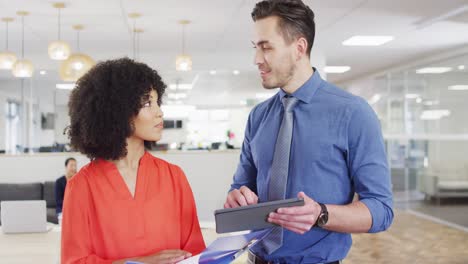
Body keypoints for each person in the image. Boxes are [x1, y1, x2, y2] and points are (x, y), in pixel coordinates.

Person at [224, 0, 394, 263]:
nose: (256, 59)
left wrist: (320, 213)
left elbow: (381, 210)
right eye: (255, 48)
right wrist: (237, 197)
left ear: (299, 48)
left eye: (266, 47)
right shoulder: (258, 116)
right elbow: (241, 185)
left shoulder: (353, 113)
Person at [62, 58, 205, 264]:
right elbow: (75, 261)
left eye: (157, 102)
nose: (159, 112)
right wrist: (141, 262)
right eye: (147, 103)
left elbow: (195, 253)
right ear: (118, 111)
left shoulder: (174, 177)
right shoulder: (81, 186)